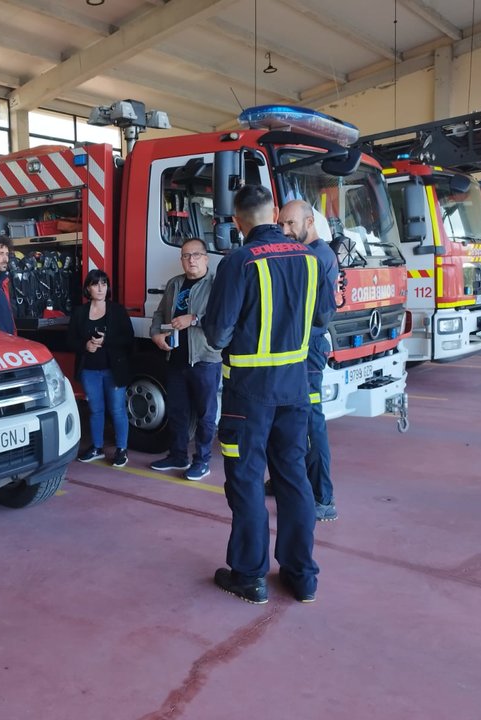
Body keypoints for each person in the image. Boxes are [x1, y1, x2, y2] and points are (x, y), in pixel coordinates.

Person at [203, 185, 334, 605]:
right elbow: (322, 318)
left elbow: (218, 331)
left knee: (246, 481)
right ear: (274, 213)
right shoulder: (312, 260)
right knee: (293, 478)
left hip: (249, 393)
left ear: (239, 222)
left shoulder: (239, 261)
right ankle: (302, 576)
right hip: (296, 387)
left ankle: (249, 576)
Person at [276, 199, 340, 521]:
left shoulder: (318, 256)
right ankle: (285, 479)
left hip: (310, 349)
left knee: (313, 422)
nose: (285, 231)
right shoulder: (306, 253)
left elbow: (323, 315)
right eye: (281, 225)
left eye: (290, 224)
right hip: (297, 347)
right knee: (291, 417)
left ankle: (322, 498)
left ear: (309, 222)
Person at [148, 238, 223, 481]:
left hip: (204, 358)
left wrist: (194, 319)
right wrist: (156, 334)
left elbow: (222, 318)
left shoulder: (217, 286)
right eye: (186, 255)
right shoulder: (174, 284)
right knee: (177, 411)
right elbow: (160, 313)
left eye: (196, 255)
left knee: (206, 414)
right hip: (176, 358)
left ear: (206, 258)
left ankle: (201, 461)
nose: (191, 260)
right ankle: (178, 455)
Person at [68, 269, 133, 468]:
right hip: (89, 370)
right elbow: (70, 340)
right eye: (96, 284)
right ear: (88, 288)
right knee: (96, 410)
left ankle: (121, 449)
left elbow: (128, 339)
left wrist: (106, 341)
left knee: (117, 409)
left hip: (113, 370)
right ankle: (97, 447)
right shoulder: (80, 312)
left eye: (104, 284)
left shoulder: (117, 310)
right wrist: (85, 346)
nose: (100, 288)